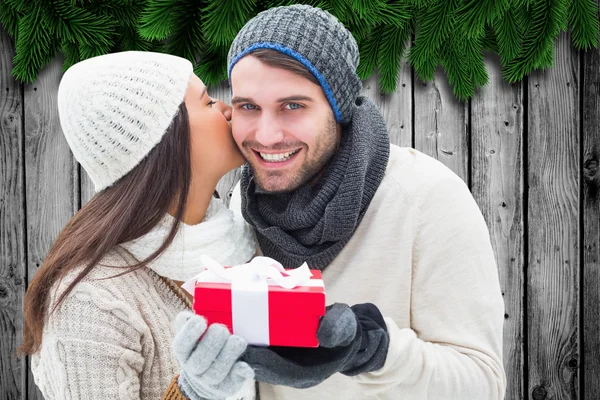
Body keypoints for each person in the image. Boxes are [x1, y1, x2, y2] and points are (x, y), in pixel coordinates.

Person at [226, 5, 507, 400]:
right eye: (248, 107)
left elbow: (482, 383)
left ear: (338, 108)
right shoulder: (244, 202)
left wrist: (375, 352)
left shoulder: (426, 197)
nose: (267, 135)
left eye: (293, 106)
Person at [19, 51, 259, 399]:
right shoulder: (92, 301)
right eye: (207, 103)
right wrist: (192, 392)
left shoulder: (243, 241)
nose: (227, 110)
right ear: (165, 142)